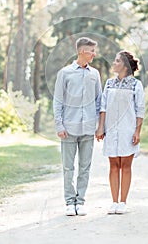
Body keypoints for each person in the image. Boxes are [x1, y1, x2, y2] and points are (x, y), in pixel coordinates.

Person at [53, 37, 102, 216]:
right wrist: (59, 125)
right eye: (91, 51)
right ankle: (69, 202)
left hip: (88, 128)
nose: (94, 55)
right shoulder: (64, 73)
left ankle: (80, 201)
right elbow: (58, 101)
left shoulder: (94, 74)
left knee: (85, 167)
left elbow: (99, 101)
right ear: (82, 51)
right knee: (68, 167)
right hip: (68, 129)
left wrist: (99, 126)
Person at [95, 50, 145, 214]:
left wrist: (137, 131)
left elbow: (140, 110)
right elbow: (103, 107)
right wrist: (100, 127)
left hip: (128, 130)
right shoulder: (109, 83)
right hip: (111, 129)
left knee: (126, 165)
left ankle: (123, 202)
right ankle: (114, 202)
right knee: (113, 165)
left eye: (117, 61)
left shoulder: (136, 85)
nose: (114, 63)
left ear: (124, 65)